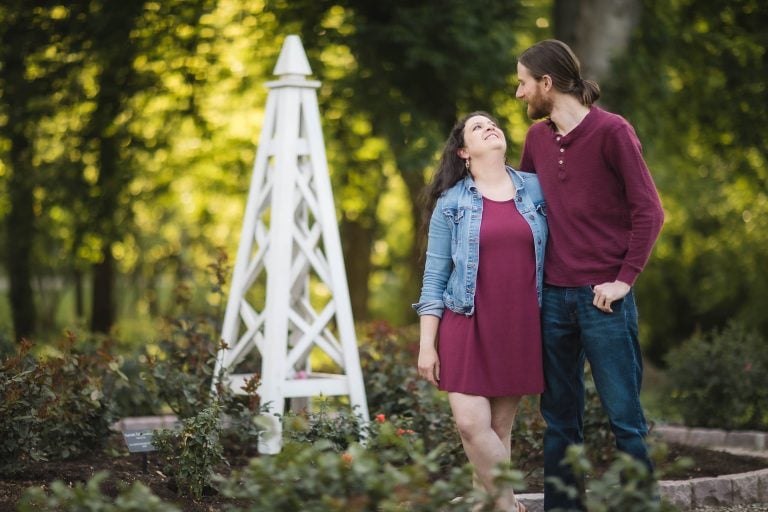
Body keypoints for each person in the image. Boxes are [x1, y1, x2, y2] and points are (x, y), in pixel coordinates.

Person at [514, 39, 665, 511]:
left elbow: (650, 211)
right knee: (559, 419)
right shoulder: (537, 140)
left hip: (605, 300)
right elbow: (525, 211)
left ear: (547, 82)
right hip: (553, 299)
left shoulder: (613, 132)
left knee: (624, 416)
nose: (518, 94)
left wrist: (623, 279)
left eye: (522, 83)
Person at [413, 111, 548, 512]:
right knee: (472, 426)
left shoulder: (537, 190)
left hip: (521, 325)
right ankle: (508, 507)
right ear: (463, 151)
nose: (490, 126)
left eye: (492, 123)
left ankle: (485, 504)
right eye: (477, 127)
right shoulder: (451, 203)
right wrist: (426, 345)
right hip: (466, 322)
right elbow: (433, 279)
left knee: (498, 430)